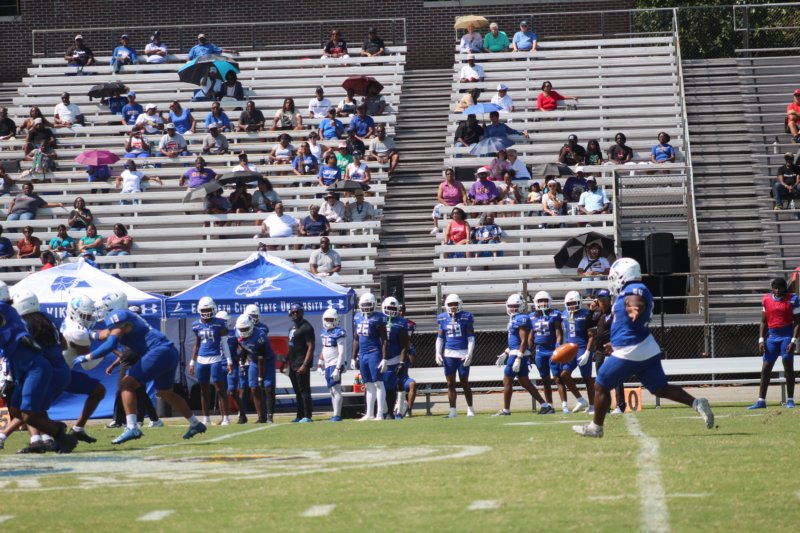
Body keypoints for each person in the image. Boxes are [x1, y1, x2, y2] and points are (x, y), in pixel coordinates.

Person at [573, 258, 715, 437]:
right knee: (659, 388)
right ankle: (697, 403)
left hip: (631, 348)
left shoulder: (633, 289)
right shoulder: (632, 290)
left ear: (623, 276)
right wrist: (615, 343)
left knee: (601, 384)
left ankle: (596, 427)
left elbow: (636, 303)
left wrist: (634, 310)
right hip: (645, 346)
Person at [74, 290, 209, 444]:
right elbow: (103, 334)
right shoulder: (124, 317)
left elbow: (110, 344)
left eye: (104, 307)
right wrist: (86, 332)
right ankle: (195, 423)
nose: (101, 311)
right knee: (166, 392)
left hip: (158, 351)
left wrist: (86, 357)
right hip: (169, 352)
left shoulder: (118, 315)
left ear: (112, 306)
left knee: (126, 384)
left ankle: (132, 427)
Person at [0, 285, 79, 454]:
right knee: (16, 409)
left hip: (34, 367)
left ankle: (60, 435)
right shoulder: (14, 313)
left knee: (29, 412)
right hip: (25, 367)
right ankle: (51, 433)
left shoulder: (6, 311)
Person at [494, 294, 549, 416]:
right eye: (511, 306)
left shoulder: (521, 318)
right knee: (525, 382)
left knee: (507, 380)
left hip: (518, 355)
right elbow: (515, 341)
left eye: (516, 306)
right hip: (516, 353)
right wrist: (506, 352)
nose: (513, 308)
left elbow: (524, 341)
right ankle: (545, 406)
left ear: (522, 306)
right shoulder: (514, 318)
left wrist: (518, 358)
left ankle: (506, 410)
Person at [749, 277, 799, 409]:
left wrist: (794, 341)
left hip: (786, 335)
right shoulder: (766, 299)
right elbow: (763, 321)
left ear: (784, 288)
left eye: (780, 288)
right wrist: (761, 339)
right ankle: (761, 401)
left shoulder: (793, 299)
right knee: (766, 367)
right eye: (775, 288)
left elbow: (797, 322)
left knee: (787, 365)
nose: (777, 290)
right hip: (772, 337)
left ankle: (790, 400)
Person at [189, 297, 232, 426]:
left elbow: (225, 344)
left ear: (213, 309)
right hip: (201, 360)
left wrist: (229, 361)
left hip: (215, 358)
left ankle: (226, 418)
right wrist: (192, 362)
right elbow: (196, 345)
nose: (206, 312)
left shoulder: (219, 323)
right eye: (204, 310)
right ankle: (206, 418)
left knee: (220, 388)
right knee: (204, 390)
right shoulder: (196, 324)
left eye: (208, 309)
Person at [435, 294, 476, 418]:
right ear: (446, 305)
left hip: (463, 353)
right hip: (449, 354)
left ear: (460, 304)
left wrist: (469, 353)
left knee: (464, 382)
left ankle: (470, 408)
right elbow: (440, 338)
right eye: (450, 304)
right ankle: (452, 410)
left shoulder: (466, 317)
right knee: (450, 383)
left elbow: (471, 337)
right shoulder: (442, 318)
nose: (453, 306)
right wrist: (437, 353)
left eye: (455, 304)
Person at [587, 289, 626, 414]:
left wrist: (614, 343)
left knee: (616, 377)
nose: (602, 302)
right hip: (599, 351)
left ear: (610, 300)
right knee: (601, 380)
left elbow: (622, 329)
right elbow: (587, 324)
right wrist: (591, 310)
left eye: (604, 300)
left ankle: (620, 405)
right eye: (600, 300)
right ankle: (605, 406)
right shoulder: (599, 314)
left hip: (612, 350)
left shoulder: (614, 313)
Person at [351, 293, 388, 420]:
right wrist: (353, 357)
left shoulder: (379, 317)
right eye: (364, 305)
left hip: (374, 353)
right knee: (368, 385)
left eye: (369, 305)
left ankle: (380, 413)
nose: (366, 308)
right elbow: (356, 339)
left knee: (378, 383)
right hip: (362, 354)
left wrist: (384, 358)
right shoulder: (357, 317)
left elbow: (384, 339)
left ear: (374, 305)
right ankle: (370, 413)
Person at [528, 291, 563, 413]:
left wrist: (558, 346)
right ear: (535, 302)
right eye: (540, 301)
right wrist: (527, 351)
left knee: (557, 378)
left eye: (545, 300)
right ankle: (550, 406)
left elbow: (559, 333)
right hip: (540, 351)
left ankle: (564, 405)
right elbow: (530, 337)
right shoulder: (531, 317)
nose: (543, 303)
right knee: (545, 379)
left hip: (552, 349)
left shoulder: (555, 314)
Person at [235, 314, 273, 424]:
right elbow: (244, 347)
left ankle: (269, 417)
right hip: (253, 360)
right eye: (241, 329)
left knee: (267, 386)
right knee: (254, 388)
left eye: (245, 328)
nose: (243, 331)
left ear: (251, 326)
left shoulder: (259, 336)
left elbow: (262, 359)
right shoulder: (237, 333)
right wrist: (242, 361)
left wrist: (260, 377)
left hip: (266, 361)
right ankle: (261, 417)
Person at [561, 291, 594, 412]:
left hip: (582, 348)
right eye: (570, 303)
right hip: (570, 349)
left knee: (587, 378)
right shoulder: (564, 314)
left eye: (574, 302)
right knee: (564, 374)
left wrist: (587, 352)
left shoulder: (586, 314)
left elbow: (592, 336)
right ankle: (581, 400)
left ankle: (592, 406)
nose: (572, 305)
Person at [283, 303, 315, 422]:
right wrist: (285, 361)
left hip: (301, 363)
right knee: (297, 391)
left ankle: (307, 416)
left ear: (302, 312)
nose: (295, 314)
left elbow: (311, 347)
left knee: (304, 391)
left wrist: (305, 364)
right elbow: (292, 347)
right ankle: (299, 415)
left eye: (298, 312)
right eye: (293, 312)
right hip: (293, 363)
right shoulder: (292, 327)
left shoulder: (306, 327)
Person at [317, 308, 347, 421]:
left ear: (336, 320)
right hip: (328, 364)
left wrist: (338, 368)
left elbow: (341, 352)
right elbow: (324, 348)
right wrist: (320, 363)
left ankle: (337, 415)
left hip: (335, 363)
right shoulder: (324, 332)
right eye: (327, 319)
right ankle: (335, 414)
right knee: (331, 390)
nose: (328, 321)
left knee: (336, 389)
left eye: (331, 319)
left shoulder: (339, 332)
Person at [381, 297, 408, 420]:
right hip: (379, 357)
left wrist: (401, 362)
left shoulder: (401, 322)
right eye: (389, 308)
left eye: (393, 308)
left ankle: (396, 411)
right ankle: (382, 411)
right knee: (380, 385)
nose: (391, 310)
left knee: (396, 384)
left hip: (395, 357)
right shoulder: (378, 319)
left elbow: (404, 344)